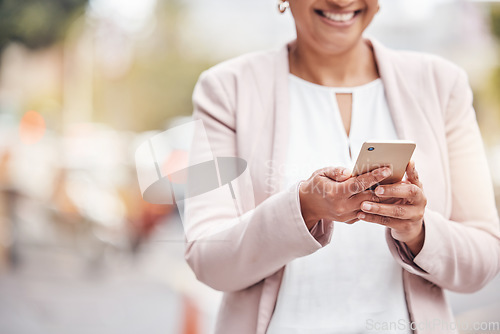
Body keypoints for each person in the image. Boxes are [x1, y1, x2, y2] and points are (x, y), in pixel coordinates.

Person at [184, 1, 500, 333]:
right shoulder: (225, 90)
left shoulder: (441, 84)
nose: (341, 1)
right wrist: (302, 209)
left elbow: (484, 260)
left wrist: (417, 232)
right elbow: (208, 260)